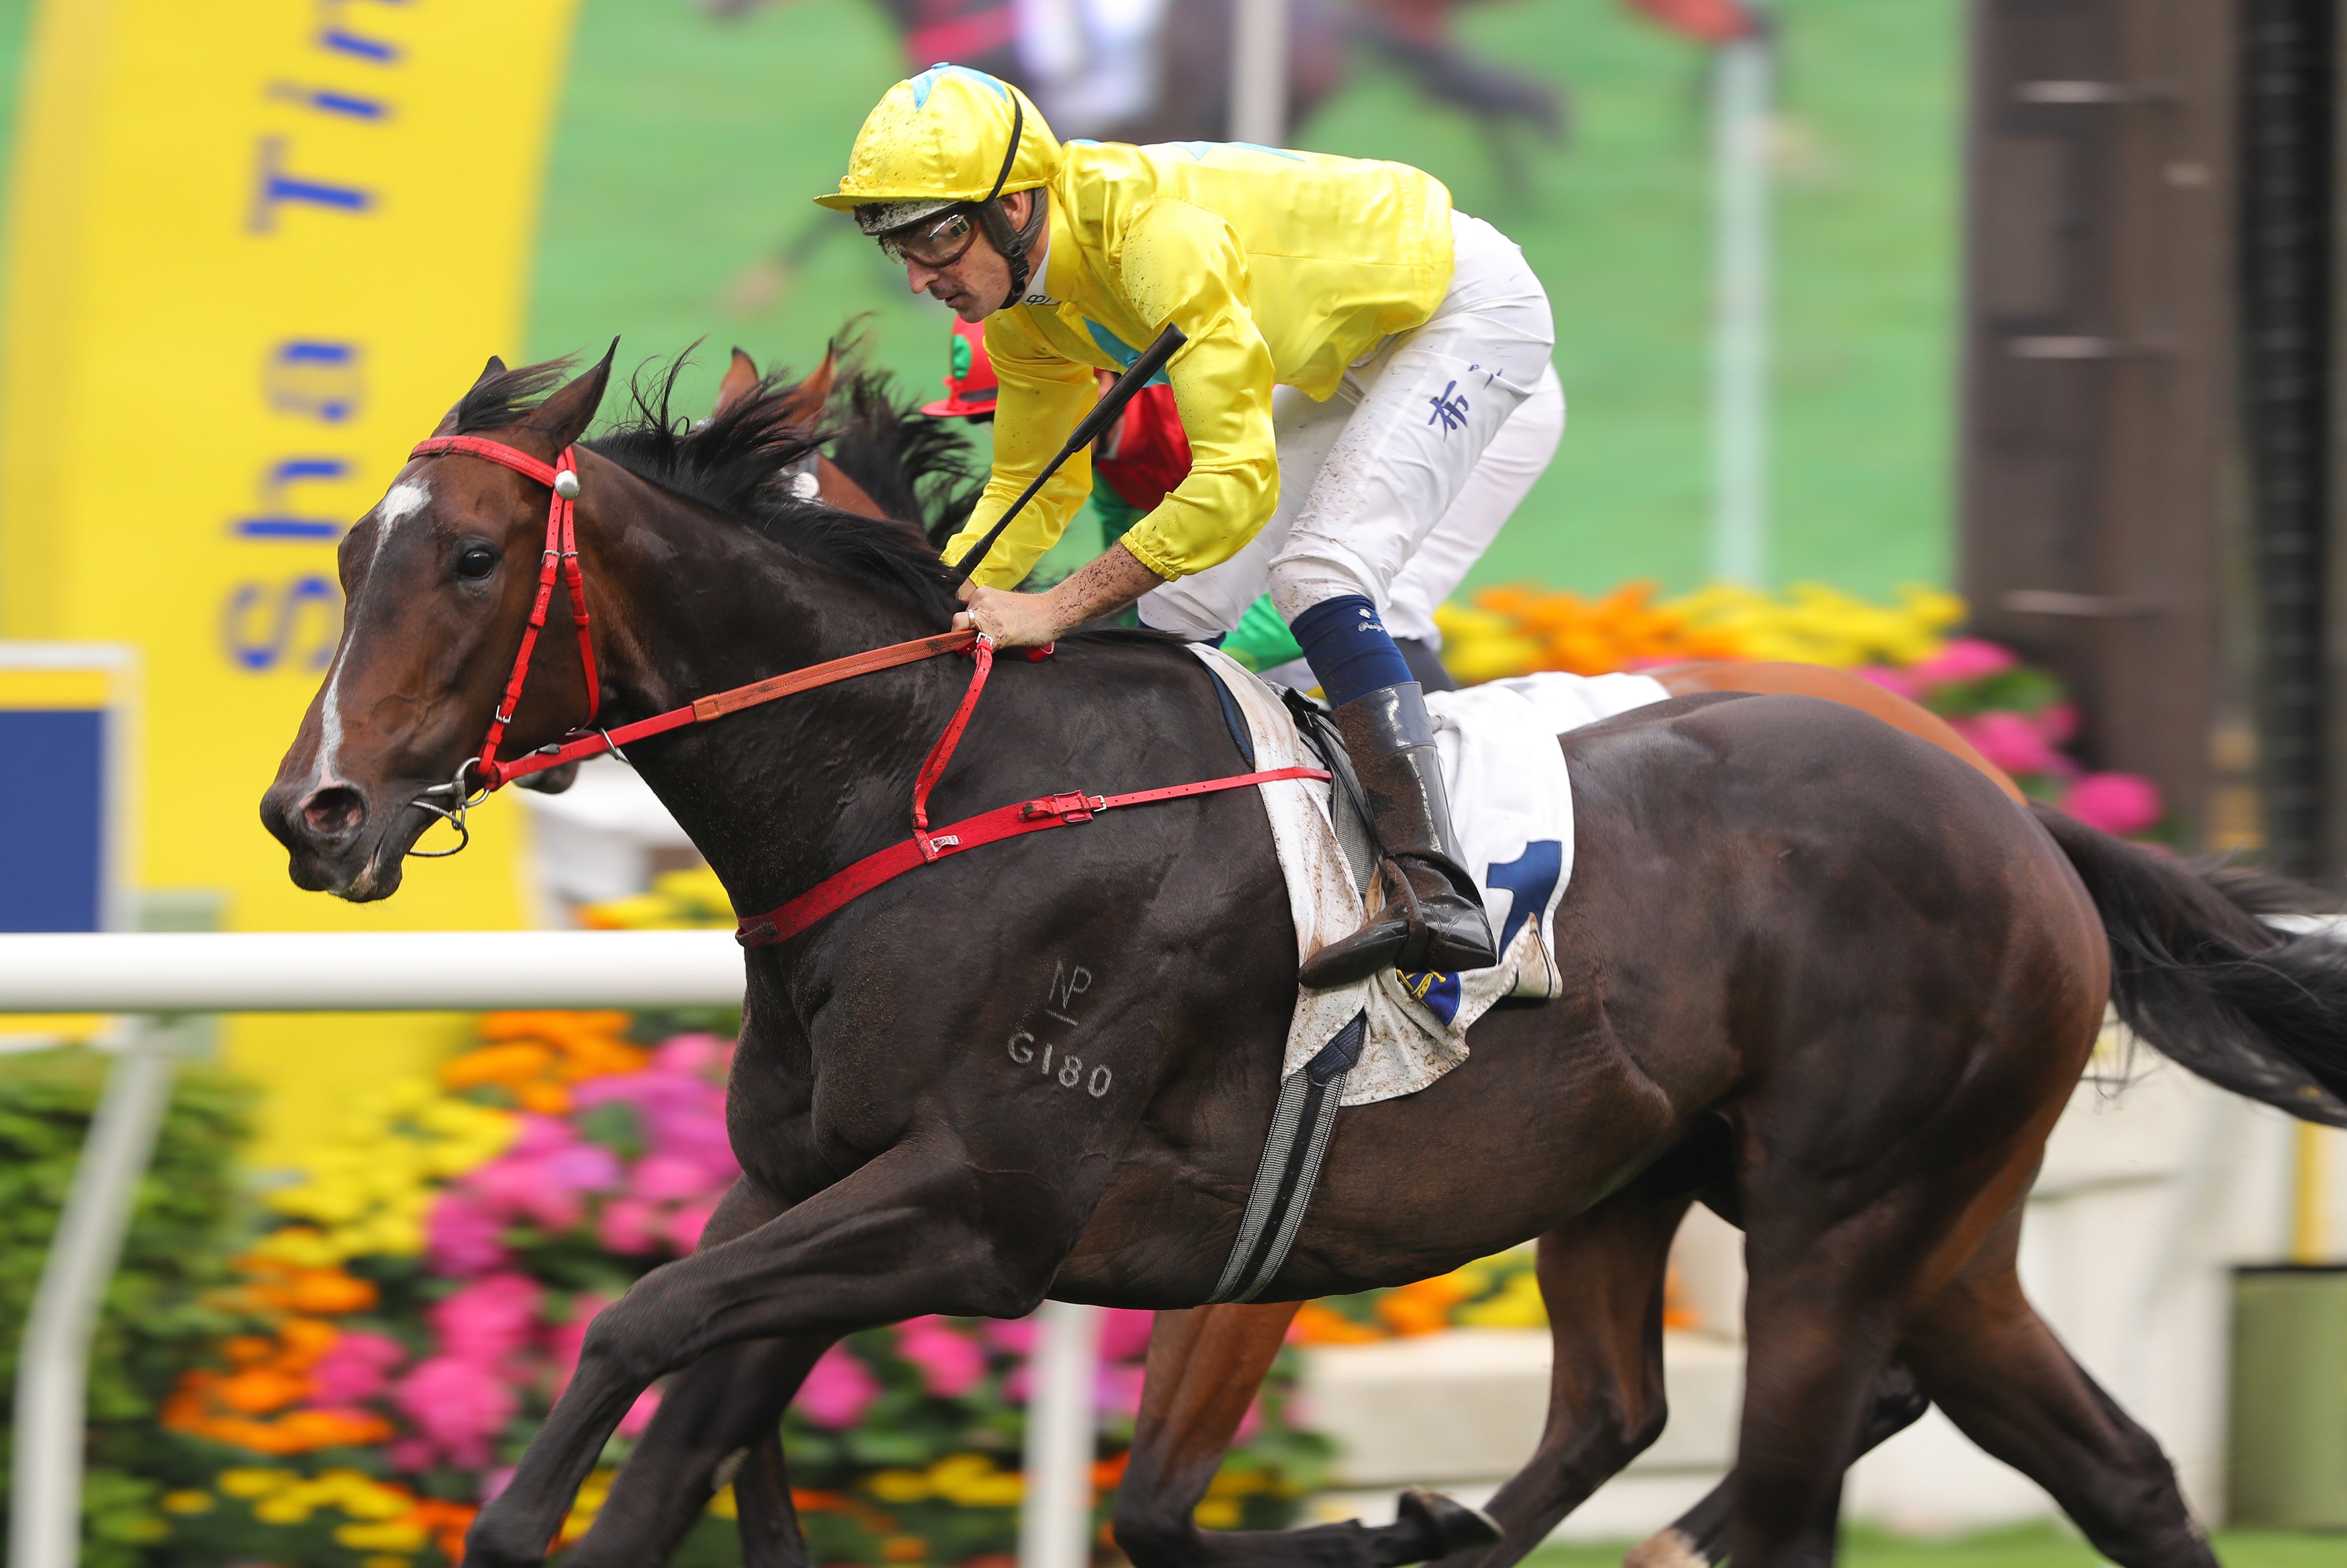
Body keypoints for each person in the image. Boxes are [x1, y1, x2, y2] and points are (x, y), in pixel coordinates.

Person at [817, 64, 1564, 987]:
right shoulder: (1026, 317)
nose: (920, 274)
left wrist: (1056, 608)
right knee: (1175, 611)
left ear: (1014, 206)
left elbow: (1234, 486)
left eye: (935, 236)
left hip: (1464, 312)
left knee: (1319, 573)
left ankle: (1434, 885)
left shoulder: (1151, 241)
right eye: (894, 243)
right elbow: (1030, 484)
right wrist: (932, 605)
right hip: (1350, 346)